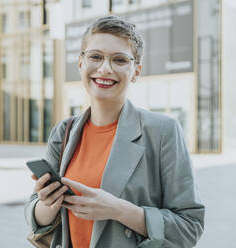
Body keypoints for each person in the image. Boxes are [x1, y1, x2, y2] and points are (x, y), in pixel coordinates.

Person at [25, 15, 204, 248]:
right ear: (81, 64)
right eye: (95, 57)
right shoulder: (64, 131)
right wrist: (47, 204)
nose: (105, 68)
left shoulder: (162, 132)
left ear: (136, 71)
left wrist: (117, 210)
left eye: (119, 60)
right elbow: (34, 213)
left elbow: (189, 227)